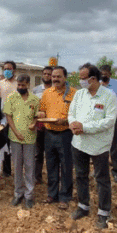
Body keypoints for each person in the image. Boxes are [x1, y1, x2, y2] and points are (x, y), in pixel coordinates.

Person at [68, 63, 117, 229]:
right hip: (79, 143)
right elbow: (71, 113)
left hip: (99, 145)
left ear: (94, 79)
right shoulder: (80, 94)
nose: (81, 81)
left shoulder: (108, 96)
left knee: (101, 179)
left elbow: (110, 121)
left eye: (83, 78)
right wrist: (73, 124)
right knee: (81, 175)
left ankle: (104, 212)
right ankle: (83, 206)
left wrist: (85, 127)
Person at [38, 66, 76, 210]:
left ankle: (65, 196)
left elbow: (78, 115)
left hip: (66, 134)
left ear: (65, 78)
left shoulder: (74, 93)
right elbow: (42, 109)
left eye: (58, 76)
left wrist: (65, 121)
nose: (55, 79)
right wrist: (41, 115)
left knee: (66, 166)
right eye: (53, 77)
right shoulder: (47, 93)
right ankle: (52, 194)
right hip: (49, 133)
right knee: (51, 165)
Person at [3, 74, 40, 209]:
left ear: (28, 85)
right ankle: (18, 193)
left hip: (30, 138)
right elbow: (8, 116)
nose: (20, 87)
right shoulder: (11, 97)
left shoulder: (35, 99)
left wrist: (34, 123)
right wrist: (16, 132)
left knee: (30, 166)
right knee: (17, 166)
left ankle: (29, 195)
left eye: (23, 85)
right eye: (18, 85)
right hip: (15, 137)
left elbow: (37, 116)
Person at [99, 64, 117, 184]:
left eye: (105, 74)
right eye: (101, 74)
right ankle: (100, 170)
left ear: (110, 74)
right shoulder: (96, 85)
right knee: (99, 144)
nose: (103, 76)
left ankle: (116, 171)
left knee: (113, 145)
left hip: (113, 118)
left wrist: (115, 113)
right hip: (99, 118)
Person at [0, 61, 18, 177]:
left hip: (18, 117)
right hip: (5, 117)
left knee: (18, 143)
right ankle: (7, 171)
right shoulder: (0, 83)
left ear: (14, 70)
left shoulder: (19, 83)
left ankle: (19, 170)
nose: (7, 71)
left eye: (9, 69)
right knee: (5, 144)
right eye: (5, 69)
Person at [31, 66, 53, 184]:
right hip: (39, 125)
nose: (47, 76)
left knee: (51, 153)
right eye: (45, 73)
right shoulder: (36, 90)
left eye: (49, 74)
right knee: (38, 153)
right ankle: (37, 177)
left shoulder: (56, 89)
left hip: (52, 126)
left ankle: (52, 177)